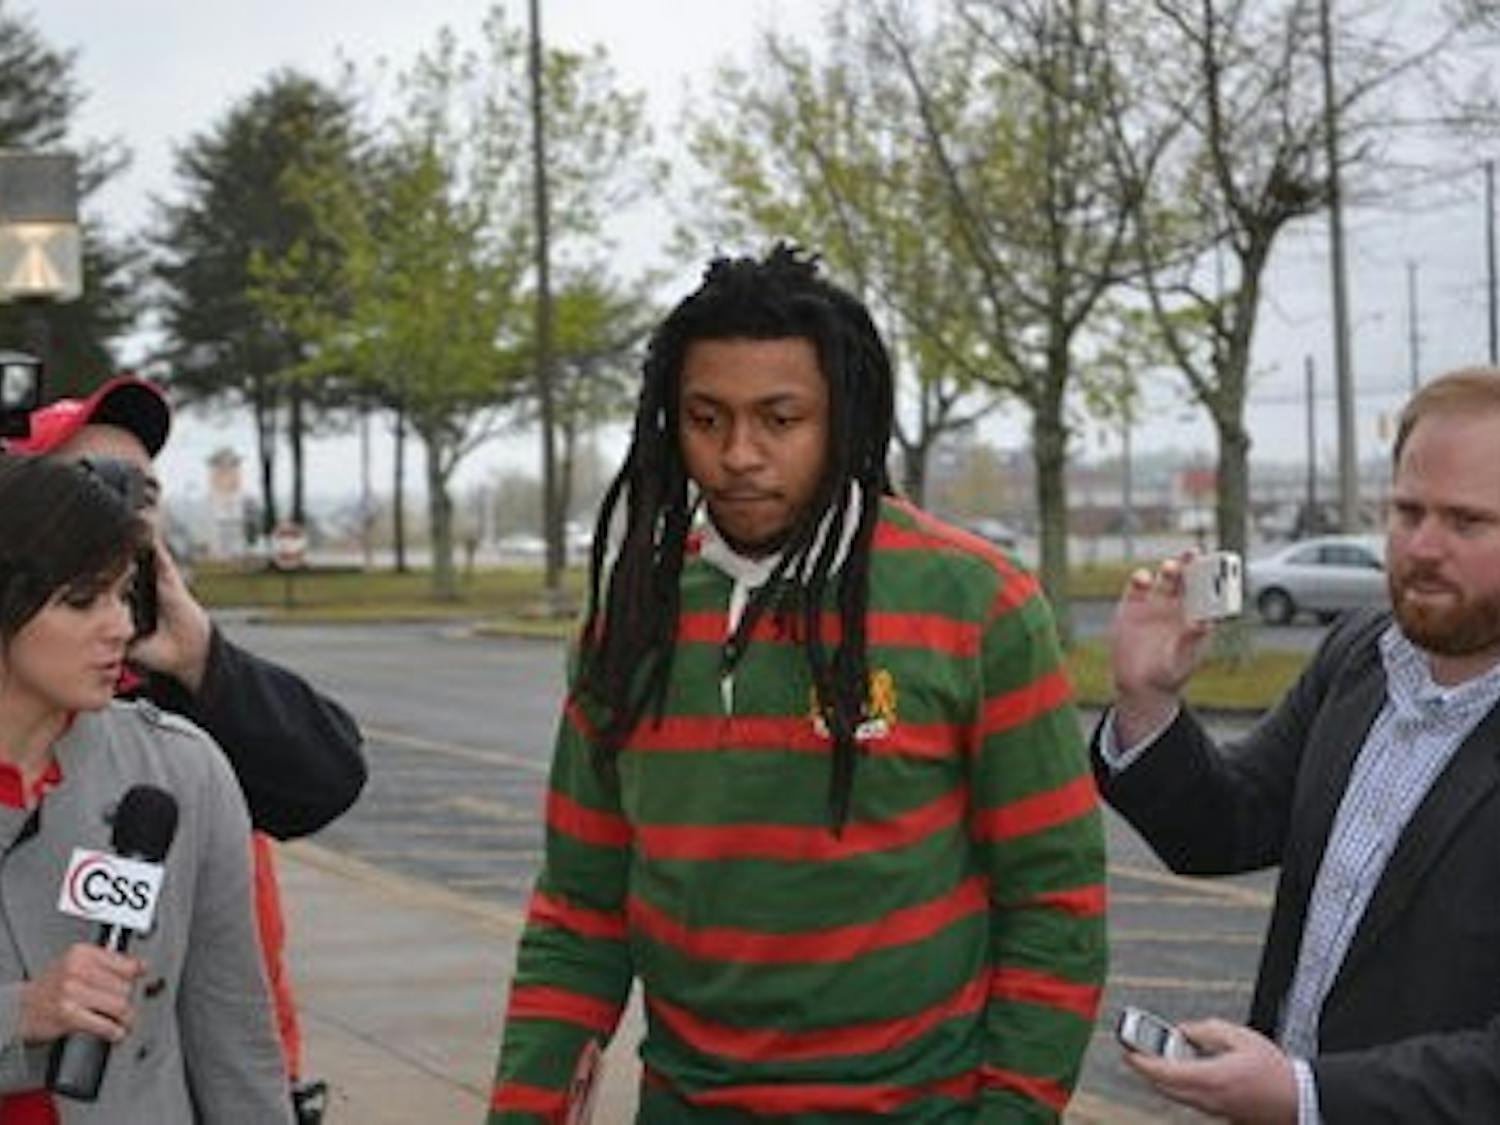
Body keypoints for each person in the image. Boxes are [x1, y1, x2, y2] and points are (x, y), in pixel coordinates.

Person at [489, 245, 1107, 1121]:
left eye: (780, 419)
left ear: (842, 421)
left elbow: (1056, 900)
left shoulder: (981, 606)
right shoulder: (624, 627)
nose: (739, 453)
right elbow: (581, 909)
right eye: (707, 418)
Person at [1093, 367, 1500, 1123]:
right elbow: (1228, 823)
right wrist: (1148, 699)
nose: (1422, 545)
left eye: (1467, 521)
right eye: (1407, 510)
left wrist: (1306, 1094)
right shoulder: (1358, 655)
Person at [7, 375, 366, 1123]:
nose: (121, 505)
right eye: (90, 483)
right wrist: (22, 1015)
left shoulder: (178, 745)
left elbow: (326, 776)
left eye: (142, 489)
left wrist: (201, 656)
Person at [0, 454, 292, 1123]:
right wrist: (24, 1013)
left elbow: (235, 1037)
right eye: (82, 600)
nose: (121, 627)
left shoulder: (180, 772)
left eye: (122, 595)